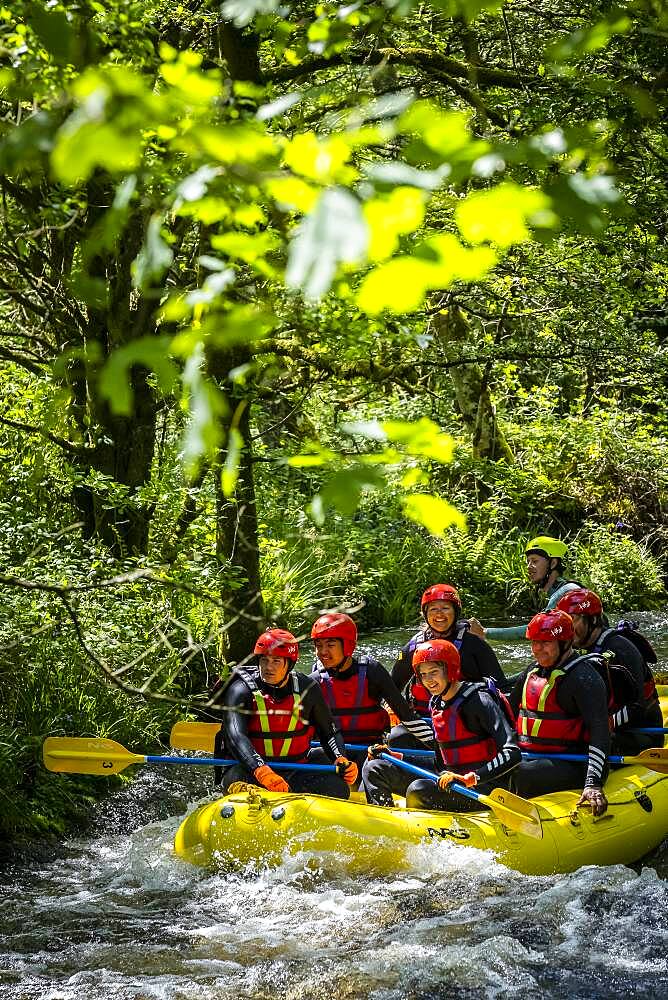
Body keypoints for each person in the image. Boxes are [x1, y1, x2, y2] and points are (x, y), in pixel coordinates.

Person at [362, 639, 521, 809]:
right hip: (450, 782)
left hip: (484, 788)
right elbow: (440, 765)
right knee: (374, 768)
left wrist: (472, 777)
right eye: (423, 675)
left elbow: (512, 752)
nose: (428, 680)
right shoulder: (437, 704)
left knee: (418, 790)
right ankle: (385, 818)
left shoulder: (479, 701)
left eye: (434, 672)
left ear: (450, 669)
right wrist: (396, 757)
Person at [216, 628, 356, 798]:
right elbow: (235, 736)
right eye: (264, 660)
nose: (268, 667)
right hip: (250, 772)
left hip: (296, 770)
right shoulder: (240, 690)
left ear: (289, 664)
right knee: (235, 778)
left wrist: (340, 757)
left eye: (276, 661)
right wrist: (260, 770)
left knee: (338, 789)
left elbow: (329, 732)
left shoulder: (308, 689)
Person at [507, 610, 610, 816]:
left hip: (574, 761)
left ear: (564, 643)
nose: (537, 649)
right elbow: (507, 712)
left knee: (522, 774)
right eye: (534, 642)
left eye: (545, 642)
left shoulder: (583, 677)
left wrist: (592, 783)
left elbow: (601, 731)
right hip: (531, 756)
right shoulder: (532, 672)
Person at [309, 612, 434, 777]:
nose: (322, 652)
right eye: (318, 645)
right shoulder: (313, 680)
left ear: (347, 645)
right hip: (333, 757)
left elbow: (408, 717)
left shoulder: (372, 671)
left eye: (330, 645)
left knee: (377, 763)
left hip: (368, 752)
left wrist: (443, 748)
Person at [390, 584, 505, 746]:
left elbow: (499, 687)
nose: (439, 614)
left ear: (455, 612)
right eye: (433, 609)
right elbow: (392, 688)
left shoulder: (473, 645)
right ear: (425, 614)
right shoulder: (413, 647)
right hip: (423, 721)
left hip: (464, 719)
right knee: (396, 738)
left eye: (445, 608)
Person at [556, 588, 663, 755]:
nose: (566, 629)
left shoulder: (620, 648)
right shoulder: (571, 652)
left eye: (573, 620)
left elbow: (638, 707)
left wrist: (600, 726)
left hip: (641, 733)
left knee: (581, 743)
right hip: (605, 727)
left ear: (591, 620)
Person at [469, 536, 581, 642]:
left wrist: (485, 632)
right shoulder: (563, 590)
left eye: (534, 561)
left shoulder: (565, 592)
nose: (528, 567)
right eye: (528, 562)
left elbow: (539, 628)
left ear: (553, 563)